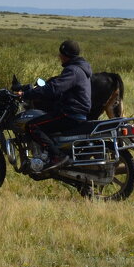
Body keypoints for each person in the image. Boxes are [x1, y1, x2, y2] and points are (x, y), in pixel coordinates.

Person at [23, 39, 92, 171]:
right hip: (76, 112)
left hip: (70, 113)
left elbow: (54, 88)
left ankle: (57, 156)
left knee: (32, 126)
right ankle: (49, 154)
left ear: (66, 55)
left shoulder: (73, 70)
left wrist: (27, 94)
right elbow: (61, 90)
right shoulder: (80, 69)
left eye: (61, 53)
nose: (59, 56)